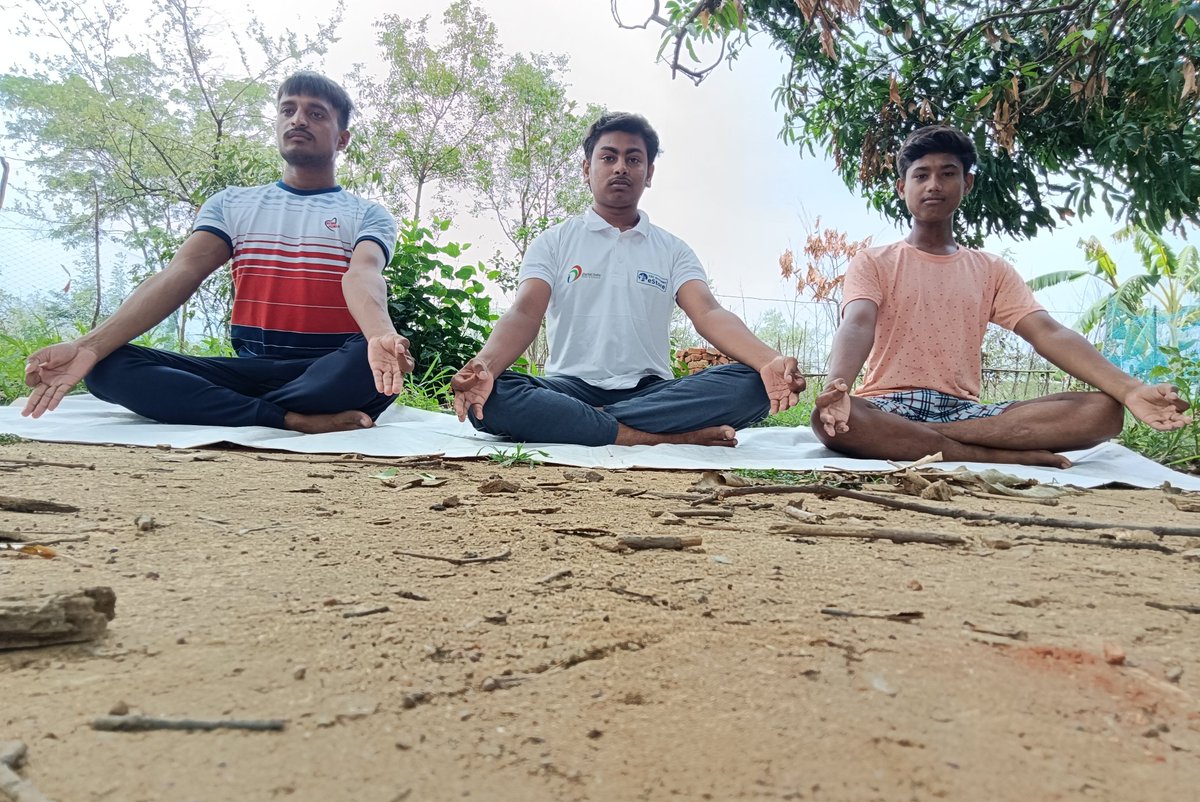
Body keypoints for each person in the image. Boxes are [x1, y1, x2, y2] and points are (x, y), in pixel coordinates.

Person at [21, 72, 412, 434]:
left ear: (342, 138)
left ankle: (219, 408)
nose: (298, 120)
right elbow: (182, 272)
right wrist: (89, 346)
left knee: (370, 363)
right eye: (288, 110)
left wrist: (381, 336)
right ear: (276, 124)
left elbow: (362, 274)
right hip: (247, 369)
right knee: (107, 367)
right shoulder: (232, 204)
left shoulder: (366, 214)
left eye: (316, 113)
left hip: (328, 370)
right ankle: (290, 419)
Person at [813, 124, 1191, 468]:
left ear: (968, 184)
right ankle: (994, 455)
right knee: (829, 421)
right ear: (902, 188)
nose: (934, 185)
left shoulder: (990, 268)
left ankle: (932, 445)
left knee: (1104, 412)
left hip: (966, 414)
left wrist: (1131, 389)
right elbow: (858, 321)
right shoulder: (874, 261)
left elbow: (1048, 333)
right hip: (886, 407)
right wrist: (837, 388)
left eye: (948, 174)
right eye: (921, 175)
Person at [450, 111, 805, 447]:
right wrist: (486, 364)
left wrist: (767, 361)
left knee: (752, 386)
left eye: (633, 159)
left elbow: (709, 313)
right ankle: (663, 437)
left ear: (649, 173)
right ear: (587, 168)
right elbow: (525, 313)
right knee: (495, 395)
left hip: (653, 393)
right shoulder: (554, 242)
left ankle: (584, 424)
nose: (620, 167)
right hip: (568, 388)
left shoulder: (672, 249)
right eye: (608, 158)